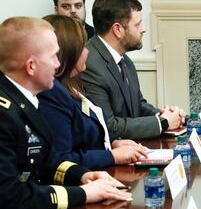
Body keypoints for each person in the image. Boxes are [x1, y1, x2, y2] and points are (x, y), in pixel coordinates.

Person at [0, 17, 132, 209]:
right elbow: (12, 197)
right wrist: (82, 194)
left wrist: (81, 175)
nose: (57, 65)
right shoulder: (5, 114)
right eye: (53, 56)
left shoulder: (24, 99)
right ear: (31, 66)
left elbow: (46, 161)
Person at [38, 15, 147, 169]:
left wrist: (112, 144)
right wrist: (111, 155)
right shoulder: (52, 93)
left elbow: (84, 139)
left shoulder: (73, 85)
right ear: (70, 53)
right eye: (83, 47)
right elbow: (62, 158)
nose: (87, 52)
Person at [80, 0, 184, 140]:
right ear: (118, 30)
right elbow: (108, 126)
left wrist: (164, 115)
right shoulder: (90, 64)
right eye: (137, 24)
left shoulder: (124, 60)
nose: (143, 29)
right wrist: (162, 123)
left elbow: (138, 105)